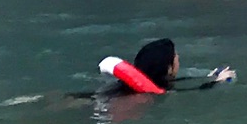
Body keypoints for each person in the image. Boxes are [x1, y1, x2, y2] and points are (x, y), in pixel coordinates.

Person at [97, 38, 236, 94]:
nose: (178, 58)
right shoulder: (155, 90)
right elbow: (188, 92)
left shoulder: (129, 84)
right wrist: (217, 83)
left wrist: (210, 77)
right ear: (168, 68)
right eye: (175, 57)